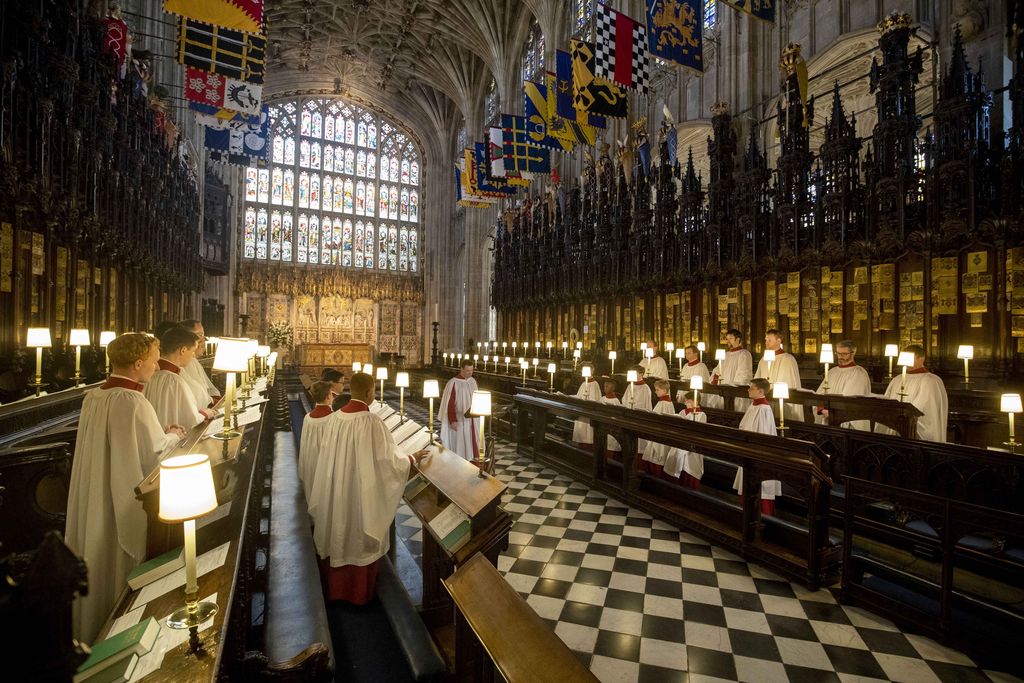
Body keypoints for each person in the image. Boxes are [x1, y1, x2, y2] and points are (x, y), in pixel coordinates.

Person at [65, 333, 185, 643]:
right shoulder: (132, 400)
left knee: (97, 546)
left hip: (96, 490)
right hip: (121, 491)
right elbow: (155, 454)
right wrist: (173, 435)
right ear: (138, 363)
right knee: (118, 556)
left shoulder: (94, 396)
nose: (157, 365)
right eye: (154, 359)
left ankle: (89, 630)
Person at [307, 372, 428, 603]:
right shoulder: (371, 421)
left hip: (339, 488)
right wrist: (411, 459)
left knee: (341, 532)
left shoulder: (335, 417)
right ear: (369, 391)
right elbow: (388, 461)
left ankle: (335, 588)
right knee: (358, 535)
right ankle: (358, 594)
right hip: (359, 493)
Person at [144, 327, 213, 430]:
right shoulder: (176, 381)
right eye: (193, 351)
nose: (193, 356)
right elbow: (190, 421)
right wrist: (205, 414)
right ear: (183, 350)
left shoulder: (148, 377)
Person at [876, 344, 948, 442]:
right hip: (894, 427)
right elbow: (888, 400)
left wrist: (904, 418)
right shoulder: (897, 379)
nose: (907, 362)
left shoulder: (931, 380)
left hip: (914, 431)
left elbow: (924, 407)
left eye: (910, 358)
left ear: (921, 359)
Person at [732, 378, 781, 515]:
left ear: (761, 391)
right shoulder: (753, 405)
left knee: (760, 489)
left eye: (751, 388)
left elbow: (764, 435)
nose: (748, 390)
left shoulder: (764, 409)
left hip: (757, 454)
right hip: (747, 450)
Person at [815, 340, 872, 430]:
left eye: (844, 354)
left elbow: (851, 399)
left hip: (847, 424)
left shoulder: (859, 373)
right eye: (838, 353)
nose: (840, 357)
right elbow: (819, 394)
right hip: (827, 417)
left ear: (853, 353)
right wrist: (822, 410)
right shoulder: (832, 372)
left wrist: (833, 413)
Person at [754, 329, 803, 422]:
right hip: (766, 399)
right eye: (765, 340)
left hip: (781, 401)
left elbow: (789, 381)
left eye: (769, 340)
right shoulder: (763, 359)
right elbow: (757, 379)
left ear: (779, 340)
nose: (766, 343)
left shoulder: (788, 359)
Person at [298, 381, 335, 502]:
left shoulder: (308, 417)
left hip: (311, 459)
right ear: (328, 396)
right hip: (326, 462)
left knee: (313, 487)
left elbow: (304, 443)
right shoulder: (334, 418)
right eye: (331, 393)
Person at [439, 360, 480, 459]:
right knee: (461, 445)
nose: (470, 373)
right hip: (460, 419)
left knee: (474, 442)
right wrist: (452, 420)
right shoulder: (453, 383)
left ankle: (475, 462)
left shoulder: (473, 381)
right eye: (467, 371)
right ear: (461, 369)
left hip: (474, 420)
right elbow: (450, 404)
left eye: (471, 370)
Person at [666, 391, 706, 489]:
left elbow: (698, 431)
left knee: (690, 465)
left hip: (692, 446)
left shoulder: (701, 415)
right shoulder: (682, 412)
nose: (685, 403)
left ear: (695, 401)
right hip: (680, 441)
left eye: (688, 401)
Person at [707, 329, 753, 410]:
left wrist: (733, 387)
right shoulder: (726, 354)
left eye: (730, 339)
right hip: (723, 388)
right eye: (727, 339)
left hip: (734, 390)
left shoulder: (744, 354)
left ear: (738, 339)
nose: (728, 341)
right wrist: (715, 379)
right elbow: (717, 370)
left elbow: (744, 374)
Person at [178, 319, 220, 408]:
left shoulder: (194, 361)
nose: (204, 339)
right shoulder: (186, 363)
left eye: (203, 334)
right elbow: (197, 395)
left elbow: (209, 389)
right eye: (200, 335)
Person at [641, 380, 678, 476]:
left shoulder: (664, 403)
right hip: (661, 431)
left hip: (660, 433)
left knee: (658, 454)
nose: (655, 391)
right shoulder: (667, 402)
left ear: (665, 390)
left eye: (657, 389)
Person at [624, 366, 653, 452]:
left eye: (635, 373)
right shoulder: (630, 386)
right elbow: (624, 399)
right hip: (629, 415)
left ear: (641, 374)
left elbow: (647, 404)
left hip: (639, 417)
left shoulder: (645, 388)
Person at [571, 370, 602, 449]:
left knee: (588, 437)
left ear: (591, 372)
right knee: (581, 436)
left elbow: (595, 400)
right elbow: (579, 396)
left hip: (589, 414)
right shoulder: (583, 383)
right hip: (581, 412)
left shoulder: (595, 384)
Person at [600, 379, 623, 461]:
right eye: (604, 386)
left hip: (611, 429)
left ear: (613, 388)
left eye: (607, 386)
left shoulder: (616, 401)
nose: (605, 387)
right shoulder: (602, 398)